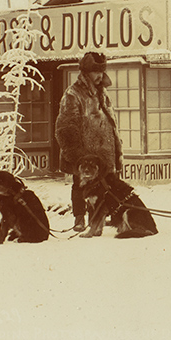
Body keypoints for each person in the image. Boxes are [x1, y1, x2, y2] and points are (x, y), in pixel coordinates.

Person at [55, 52, 123, 232]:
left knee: (106, 185)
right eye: (96, 72)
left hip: (104, 151)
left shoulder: (102, 92)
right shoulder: (73, 94)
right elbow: (66, 127)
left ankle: (101, 217)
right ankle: (79, 218)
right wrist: (77, 154)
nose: (100, 75)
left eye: (102, 71)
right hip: (84, 153)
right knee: (80, 185)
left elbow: (110, 122)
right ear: (86, 73)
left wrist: (116, 148)